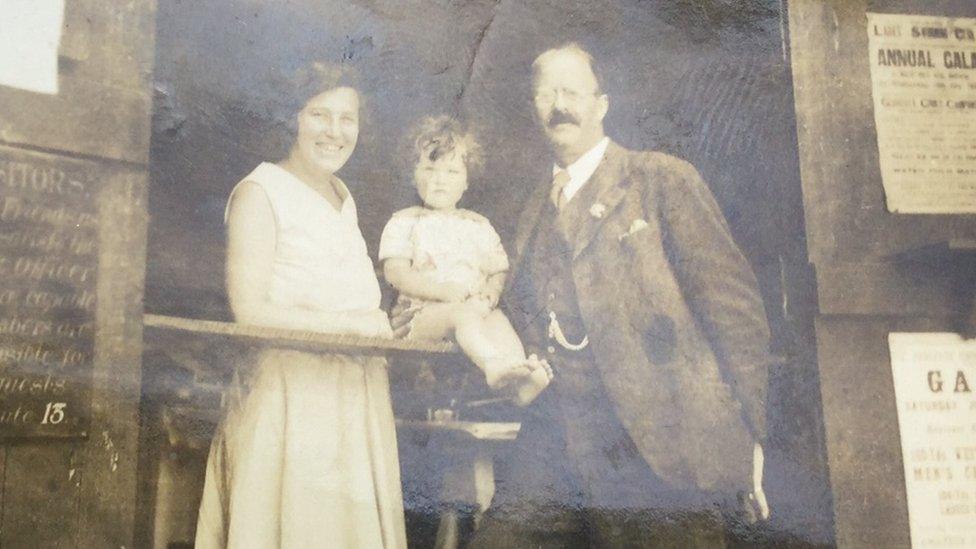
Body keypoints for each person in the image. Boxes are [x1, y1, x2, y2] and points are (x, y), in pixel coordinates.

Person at [469, 43, 775, 547]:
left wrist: (748, 435)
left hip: (656, 445)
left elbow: (734, 310)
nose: (558, 104)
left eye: (571, 91)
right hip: (555, 437)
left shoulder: (660, 179)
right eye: (545, 93)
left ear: (602, 105)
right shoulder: (530, 208)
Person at [195, 62, 407, 548]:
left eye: (347, 118)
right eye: (319, 114)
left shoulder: (342, 195)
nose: (334, 132)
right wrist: (355, 326)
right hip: (288, 403)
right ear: (291, 117)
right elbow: (248, 311)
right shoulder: (260, 192)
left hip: (353, 402)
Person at [380, 115, 552, 405]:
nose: (439, 179)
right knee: (462, 314)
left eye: (451, 171)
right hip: (421, 316)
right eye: (430, 168)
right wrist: (442, 291)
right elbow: (396, 273)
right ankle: (492, 365)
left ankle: (519, 380)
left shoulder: (478, 225)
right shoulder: (405, 222)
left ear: (467, 181)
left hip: (471, 310)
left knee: (497, 320)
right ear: (413, 174)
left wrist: (491, 293)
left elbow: (498, 270)